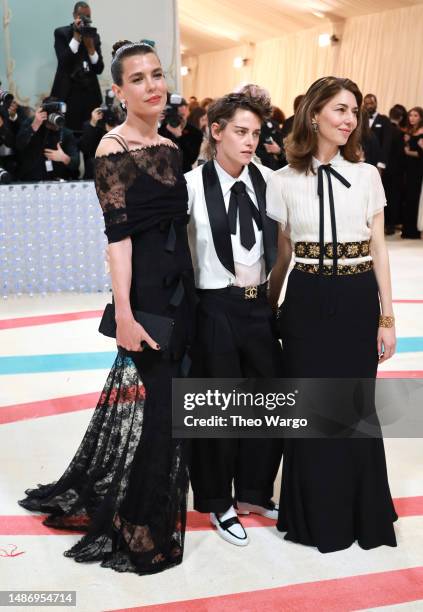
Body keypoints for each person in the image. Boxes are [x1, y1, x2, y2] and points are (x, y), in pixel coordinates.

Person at [19, 39, 196, 576]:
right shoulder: (110, 151)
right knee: (165, 413)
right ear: (117, 91)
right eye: (137, 79)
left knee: (172, 411)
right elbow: (118, 240)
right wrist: (124, 313)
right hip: (145, 301)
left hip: (182, 295)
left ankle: (147, 508)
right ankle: (137, 524)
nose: (152, 86)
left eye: (157, 75)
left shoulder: (172, 148)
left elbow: (180, 232)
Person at [267, 76, 398, 553]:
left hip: (356, 299)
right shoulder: (280, 181)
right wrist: (268, 310)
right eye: (340, 110)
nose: (349, 120)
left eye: (354, 113)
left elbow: (380, 250)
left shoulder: (367, 176)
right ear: (315, 113)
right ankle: (312, 516)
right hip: (304, 302)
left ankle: (363, 515)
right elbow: (283, 256)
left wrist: (388, 317)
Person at [186, 90, 284, 547]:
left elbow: (280, 247)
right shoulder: (190, 185)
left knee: (268, 404)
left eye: (256, 133)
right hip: (215, 307)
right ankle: (217, 500)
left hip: (258, 305)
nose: (249, 142)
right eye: (241, 132)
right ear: (216, 131)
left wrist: (273, 298)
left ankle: (252, 491)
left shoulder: (268, 180)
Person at [51, 2, 104, 133]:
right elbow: (63, 62)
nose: (85, 20)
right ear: (75, 15)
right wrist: (76, 38)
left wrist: (91, 49)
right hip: (69, 95)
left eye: (88, 16)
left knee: (91, 134)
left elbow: (99, 68)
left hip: (90, 95)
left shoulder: (94, 36)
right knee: (69, 135)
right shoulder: (61, 33)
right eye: (81, 16)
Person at [15, 97, 79, 181]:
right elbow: (18, 145)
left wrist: (64, 158)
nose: (57, 125)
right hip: (31, 178)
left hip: (58, 180)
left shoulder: (66, 133)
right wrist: (34, 126)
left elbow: (75, 163)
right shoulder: (32, 123)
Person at [383, 106, 406, 234]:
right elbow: (401, 154)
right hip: (397, 170)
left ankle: (384, 223)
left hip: (383, 168)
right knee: (394, 197)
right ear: (401, 118)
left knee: (383, 195)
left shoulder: (385, 130)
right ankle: (391, 224)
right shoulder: (400, 133)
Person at [402, 106, 423, 239]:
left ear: (421, 117)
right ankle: (408, 229)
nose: (412, 118)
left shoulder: (422, 132)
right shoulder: (409, 131)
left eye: (415, 115)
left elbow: (421, 154)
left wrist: (408, 151)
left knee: (414, 197)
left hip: (418, 170)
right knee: (408, 197)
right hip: (408, 169)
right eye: (410, 115)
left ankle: (414, 231)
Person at [363, 93, 392, 173]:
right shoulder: (360, 120)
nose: (369, 106)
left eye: (371, 103)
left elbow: (386, 143)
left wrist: (381, 163)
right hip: (361, 160)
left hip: (376, 161)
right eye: (366, 104)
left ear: (376, 103)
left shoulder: (384, 120)